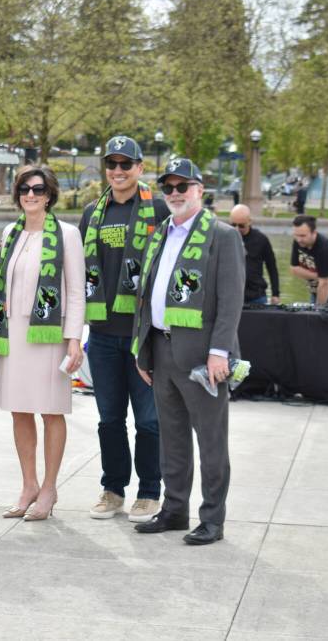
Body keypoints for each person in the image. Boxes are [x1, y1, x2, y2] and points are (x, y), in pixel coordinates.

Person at [132, 158, 245, 546]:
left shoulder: (223, 236)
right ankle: (175, 509)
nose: (175, 193)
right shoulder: (160, 234)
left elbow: (231, 301)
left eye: (183, 186)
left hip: (202, 358)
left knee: (211, 441)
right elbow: (147, 295)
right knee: (172, 438)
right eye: (169, 187)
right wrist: (142, 350)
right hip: (161, 350)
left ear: (200, 190)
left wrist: (219, 352)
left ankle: (212, 519)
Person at [0, 166, 85, 521]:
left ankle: (50, 488)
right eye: (24, 188)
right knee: (19, 409)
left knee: (51, 410)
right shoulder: (11, 232)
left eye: (38, 189)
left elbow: (75, 290)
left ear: (49, 194)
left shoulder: (68, 234)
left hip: (50, 333)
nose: (30, 194)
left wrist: (74, 339)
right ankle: (29, 485)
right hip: (14, 333)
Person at [78, 135, 169, 523]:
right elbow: (78, 270)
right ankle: (113, 489)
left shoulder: (159, 209)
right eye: (111, 164)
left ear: (140, 168)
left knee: (149, 421)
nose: (118, 171)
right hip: (102, 334)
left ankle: (149, 493)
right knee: (109, 419)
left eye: (125, 164)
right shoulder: (91, 213)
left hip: (142, 337)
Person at [289, 215, 328, 306]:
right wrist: (318, 277)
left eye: (303, 235)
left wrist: (318, 310)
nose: (299, 239)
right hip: (316, 289)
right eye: (296, 235)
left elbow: (325, 283)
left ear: (314, 233)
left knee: (320, 312)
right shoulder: (299, 242)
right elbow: (294, 269)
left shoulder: (325, 249)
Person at [229, 204, 279, 305]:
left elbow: (272, 268)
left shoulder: (261, 239)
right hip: (230, 295)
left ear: (249, 221)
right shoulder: (225, 238)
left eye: (241, 226)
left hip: (256, 296)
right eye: (233, 225)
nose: (237, 229)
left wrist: (275, 293)